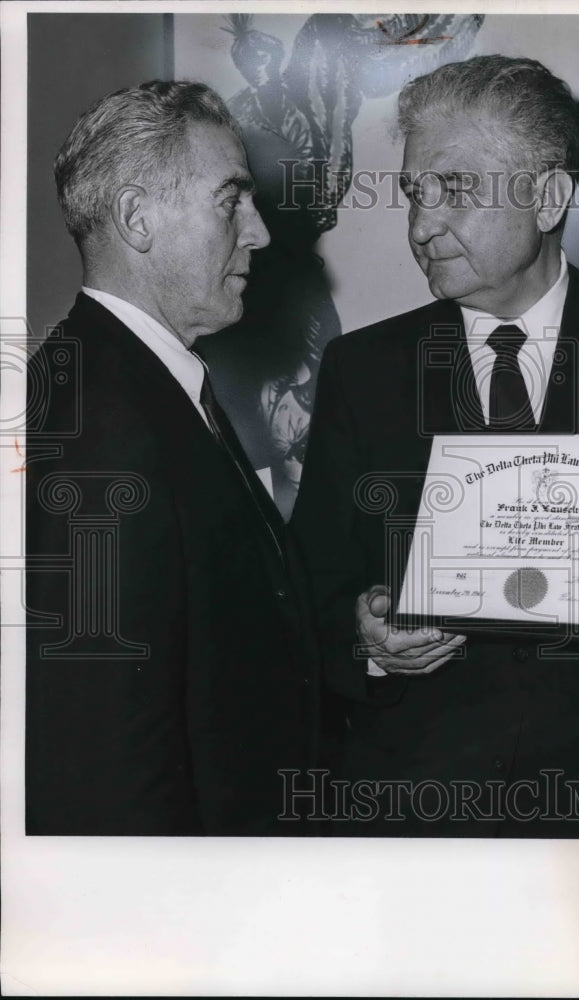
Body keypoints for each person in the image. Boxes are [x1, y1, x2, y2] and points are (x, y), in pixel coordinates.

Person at [292, 56, 579, 837]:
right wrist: (364, 641)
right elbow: (307, 593)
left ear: (548, 196)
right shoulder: (361, 370)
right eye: (413, 192)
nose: (421, 225)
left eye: (455, 189)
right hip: (424, 813)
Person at [25, 81, 318, 836]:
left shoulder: (136, 379)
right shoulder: (103, 423)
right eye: (230, 200)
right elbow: (100, 747)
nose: (257, 232)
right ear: (136, 218)